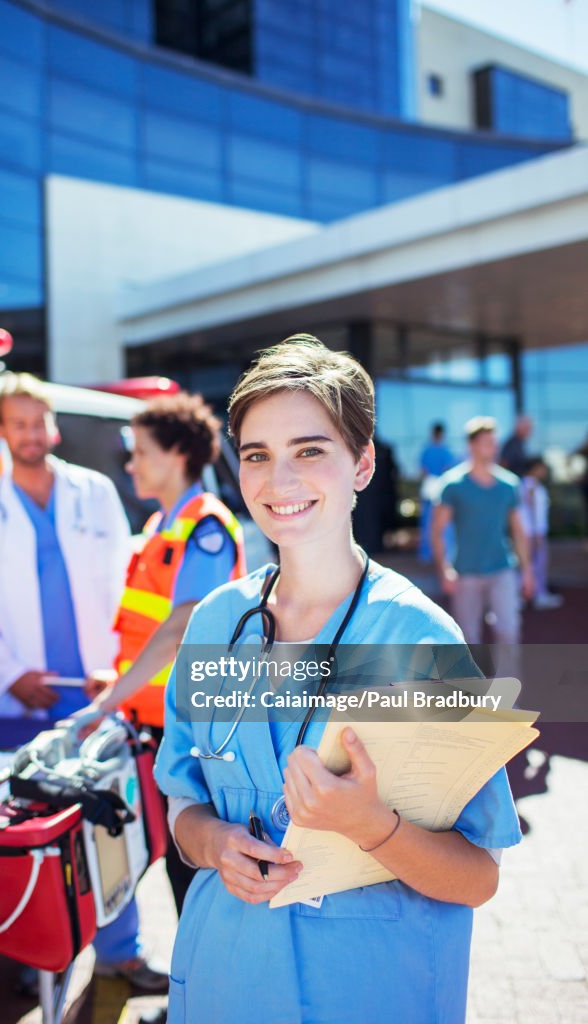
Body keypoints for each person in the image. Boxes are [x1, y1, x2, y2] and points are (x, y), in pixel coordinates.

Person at [149, 336, 520, 1024]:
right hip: (226, 979)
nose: (277, 480)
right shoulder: (216, 625)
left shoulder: (421, 641)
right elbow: (182, 806)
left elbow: (478, 878)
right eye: (257, 454)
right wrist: (214, 844)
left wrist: (371, 827)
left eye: (309, 450)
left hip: (372, 990)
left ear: (363, 463)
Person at [0, 374, 166, 994]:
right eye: (19, 424)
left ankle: (124, 952)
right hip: (24, 699)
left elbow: (130, 583)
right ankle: (47, 953)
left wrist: (121, 666)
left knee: (112, 822)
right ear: (1, 432)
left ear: (52, 426)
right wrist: (11, 676)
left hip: (97, 692)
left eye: (39, 422)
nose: (31, 434)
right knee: (39, 831)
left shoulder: (93, 492)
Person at [86, 392, 246, 919]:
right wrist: (119, 683)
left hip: (194, 732)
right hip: (161, 725)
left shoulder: (204, 526)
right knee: (180, 866)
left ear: (177, 454)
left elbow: (184, 625)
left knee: (194, 874)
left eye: (141, 452)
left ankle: (205, 997)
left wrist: (114, 695)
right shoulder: (163, 525)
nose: (131, 464)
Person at [432, 416, 534, 645]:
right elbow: (437, 531)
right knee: (469, 637)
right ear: (472, 445)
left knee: (509, 631)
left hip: (502, 570)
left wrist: (527, 571)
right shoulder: (452, 485)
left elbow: (519, 531)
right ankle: (473, 682)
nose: (493, 447)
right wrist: (444, 569)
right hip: (466, 572)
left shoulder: (509, 485)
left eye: (494, 442)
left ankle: (509, 680)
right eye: (487, 441)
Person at [519, 456, 563, 609]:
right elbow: (531, 510)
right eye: (542, 467)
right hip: (532, 533)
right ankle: (535, 596)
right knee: (534, 565)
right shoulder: (529, 485)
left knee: (532, 565)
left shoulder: (528, 484)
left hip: (532, 532)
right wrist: (535, 533)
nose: (544, 471)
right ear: (536, 468)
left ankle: (529, 596)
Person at [418, 421, 456, 562]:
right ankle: (444, 553)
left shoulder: (427, 450)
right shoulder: (446, 451)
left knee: (428, 521)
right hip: (441, 487)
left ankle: (427, 554)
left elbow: (422, 471)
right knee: (444, 522)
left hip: (429, 487)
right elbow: (450, 470)